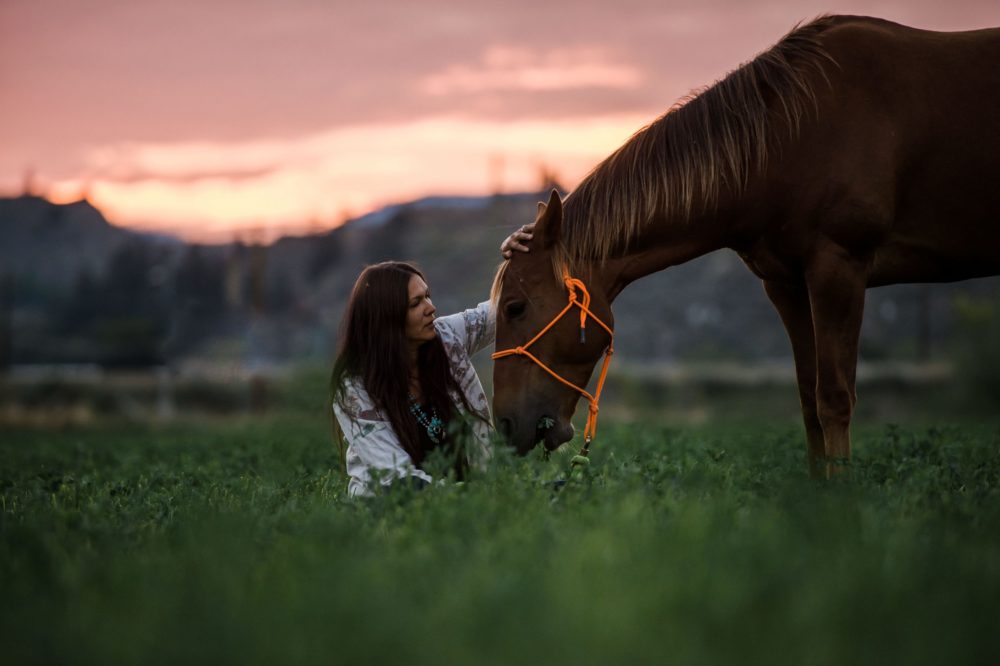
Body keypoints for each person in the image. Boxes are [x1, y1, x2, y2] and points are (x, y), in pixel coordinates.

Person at [331, 222, 534, 497]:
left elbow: (507, 309)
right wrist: (479, 497)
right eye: (416, 304)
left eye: (427, 296)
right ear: (386, 320)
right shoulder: (355, 388)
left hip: (472, 505)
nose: (431, 308)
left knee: (561, 492)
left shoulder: (446, 337)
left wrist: (524, 258)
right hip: (388, 513)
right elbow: (397, 479)